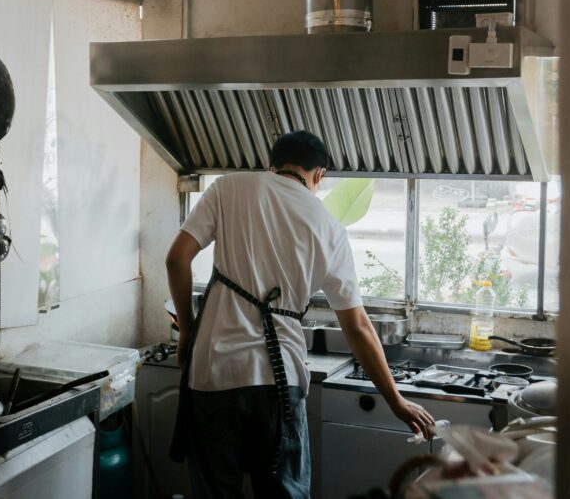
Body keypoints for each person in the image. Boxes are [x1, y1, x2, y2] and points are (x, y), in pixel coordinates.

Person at [165, 130, 435, 499]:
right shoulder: (330, 228)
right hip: (280, 383)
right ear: (319, 175)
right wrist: (396, 401)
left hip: (213, 375)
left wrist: (187, 331)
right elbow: (357, 326)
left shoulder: (229, 188)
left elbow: (176, 259)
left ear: (271, 166)